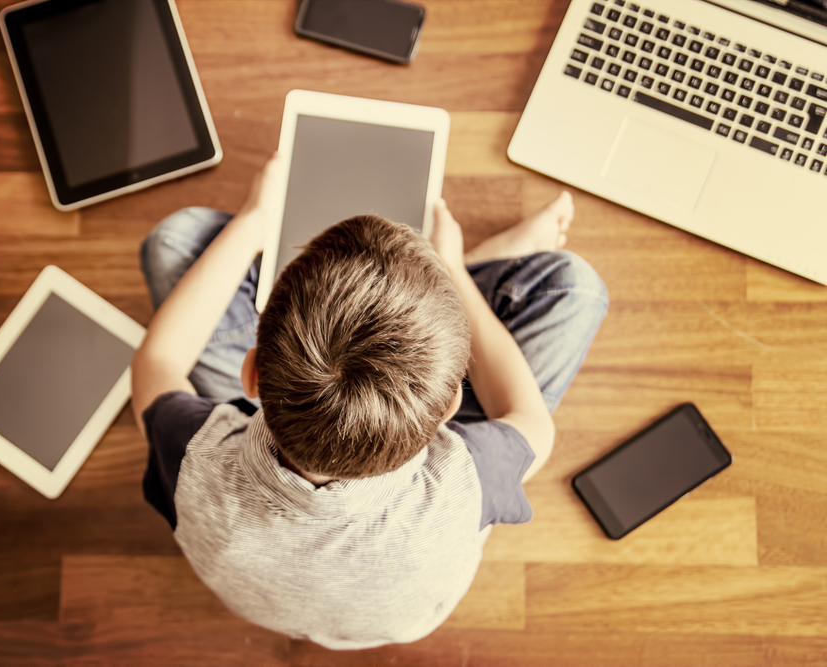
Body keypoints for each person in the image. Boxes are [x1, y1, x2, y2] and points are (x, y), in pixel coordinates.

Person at [131, 153, 608, 650]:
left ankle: (451, 278)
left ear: (249, 375)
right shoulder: (460, 483)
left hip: (284, 490)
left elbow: (157, 362)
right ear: (451, 408)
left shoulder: (196, 457)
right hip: (405, 582)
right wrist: (456, 278)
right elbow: (531, 420)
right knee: (576, 288)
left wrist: (255, 221)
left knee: (174, 241)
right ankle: (469, 270)